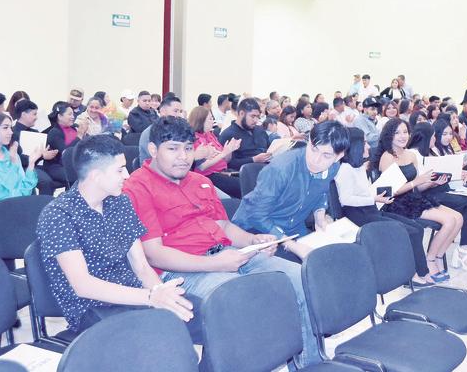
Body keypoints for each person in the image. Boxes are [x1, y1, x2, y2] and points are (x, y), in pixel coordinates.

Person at [122, 117, 320, 368]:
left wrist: (252, 239)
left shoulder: (199, 181)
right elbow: (153, 254)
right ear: (153, 150)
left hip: (228, 253)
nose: (183, 156)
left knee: (298, 278)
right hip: (182, 271)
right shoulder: (137, 187)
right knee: (244, 297)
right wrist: (216, 263)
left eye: (188, 148)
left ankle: (310, 365)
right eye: (173, 148)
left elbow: (223, 226)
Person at [36, 135, 198, 338]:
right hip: (93, 309)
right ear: (96, 176)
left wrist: (162, 294)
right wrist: (150, 297)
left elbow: (141, 266)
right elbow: (83, 285)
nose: (127, 175)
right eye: (120, 170)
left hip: (134, 297)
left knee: (206, 315)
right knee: (163, 335)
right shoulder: (59, 215)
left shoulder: (120, 202)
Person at [232, 121, 349, 263]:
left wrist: (319, 216)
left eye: (326, 155)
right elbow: (256, 215)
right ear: (309, 141)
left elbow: (321, 192)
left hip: (293, 228)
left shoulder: (333, 167)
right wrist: (292, 246)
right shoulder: (281, 169)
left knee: (334, 259)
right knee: (307, 268)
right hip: (257, 231)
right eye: (313, 149)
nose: (316, 160)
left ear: (339, 156)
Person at [335, 127, 434, 286]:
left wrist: (376, 196)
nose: (368, 146)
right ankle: (414, 274)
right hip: (359, 215)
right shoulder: (345, 169)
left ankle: (421, 271)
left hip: (370, 210)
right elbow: (345, 200)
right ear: (355, 146)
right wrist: (373, 198)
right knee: (409, 232)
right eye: (364, 143)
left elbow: (364, 192)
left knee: (417, 229)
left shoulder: (359, 166)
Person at [374, 119, 464, 281]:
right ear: (389, 136)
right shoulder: (387, 157)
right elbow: (390, 191)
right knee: (449, 220)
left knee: (458, 218)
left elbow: (418, 187)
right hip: (396, 203)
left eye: (405, 132)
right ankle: (430, 260)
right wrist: (416, 182)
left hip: (414, 198)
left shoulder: (410, 154)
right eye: (397, 133)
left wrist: (432, 182)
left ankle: (438, 256)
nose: (403, 136)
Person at [408, 123, 467, 271]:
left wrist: (456, 173)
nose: (435, 139)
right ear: (426, 138)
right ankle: (464, 248)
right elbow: (418, 186)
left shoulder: (432, 150)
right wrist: (434, 181)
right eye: (433, 137)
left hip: (441, 188)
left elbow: (442, 173)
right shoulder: (414, 154)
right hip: (428, 195)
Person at [0, 113, 42, 207]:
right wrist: (13, 165)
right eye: (5, 128)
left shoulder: (12, 154)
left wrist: (31, 164)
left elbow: (26, 188)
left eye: (10, 128)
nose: (11, 132)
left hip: (17, 203)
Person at [187, 106, 242, 198]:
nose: (212, 121)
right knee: (242, 186)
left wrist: (230, 150)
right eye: (210, 119)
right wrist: (224, 153)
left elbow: (226, 160)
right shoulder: (194, 138)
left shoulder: (210, 135)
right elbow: (201, 167)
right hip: (208, 175)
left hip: (223, 171)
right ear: (201, 121)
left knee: (248, 181)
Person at [11, 99, 58, 195]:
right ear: (24, 114)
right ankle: (43, 204)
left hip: (40, 165)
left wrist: (48, 153)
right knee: (46, 182)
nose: (36, 117)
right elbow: (17, 157)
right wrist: (41, 156)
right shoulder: (12, 133)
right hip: (22, 167)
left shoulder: (36, 132)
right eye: (34, 114)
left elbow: (44, 150)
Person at [218, 98, 272, 170]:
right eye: (253, 116)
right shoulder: (228, 135)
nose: (256, 120)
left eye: (258, 117)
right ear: (241, 114)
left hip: (268, 168)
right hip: (246, 172)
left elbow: (270, 148)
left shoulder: (260, 130)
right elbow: (228, 164)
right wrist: (253, 159)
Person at [44, 101, 89, 185]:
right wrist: (79, 136)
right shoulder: (54, 132)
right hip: (59, 166)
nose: (73, 117)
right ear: (60, 116)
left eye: (73, 114)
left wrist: (84, 134)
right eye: (69, 114)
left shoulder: (75, 127)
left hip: (76, 163)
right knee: (79, 176)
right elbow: (66, 153)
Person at [138, 96, 185, 165]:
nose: (180, 115)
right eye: (175, 111)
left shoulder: (177, 131)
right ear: (163, 111)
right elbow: (161, 160)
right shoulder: (150, 132)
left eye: (180, 112)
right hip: (154, 169)